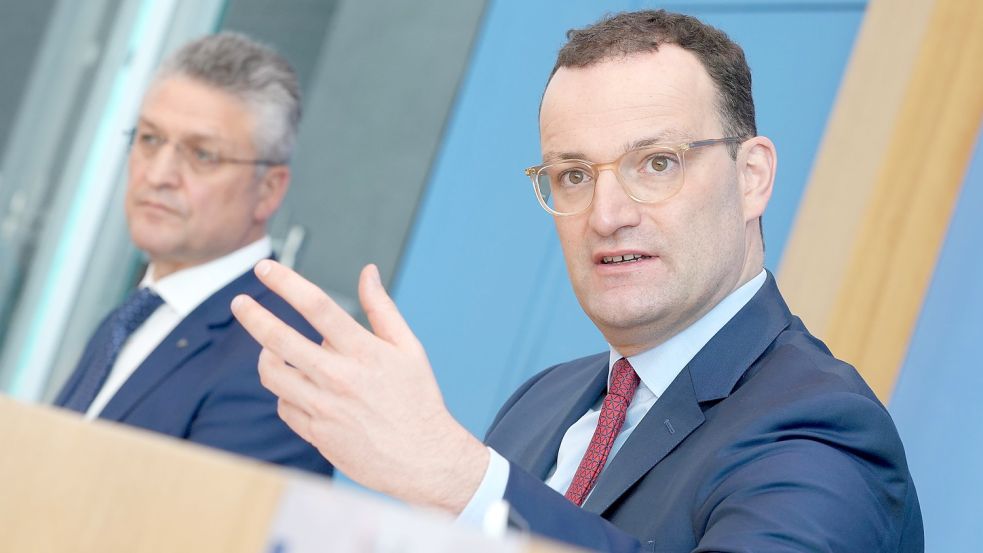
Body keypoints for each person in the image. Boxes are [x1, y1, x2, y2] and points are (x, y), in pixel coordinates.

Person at [230, 10, 922, 552]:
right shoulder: (543, 400)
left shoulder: (822, 429)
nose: (607, 214)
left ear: (752, 178)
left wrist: (460, 481)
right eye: (573, 175)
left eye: (656, 163)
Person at [54, 33, 332, 477]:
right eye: (149, 139)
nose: (159, 174)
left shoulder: (281, 354)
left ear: (269, 189)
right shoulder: (130, 317)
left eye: (202, 154)